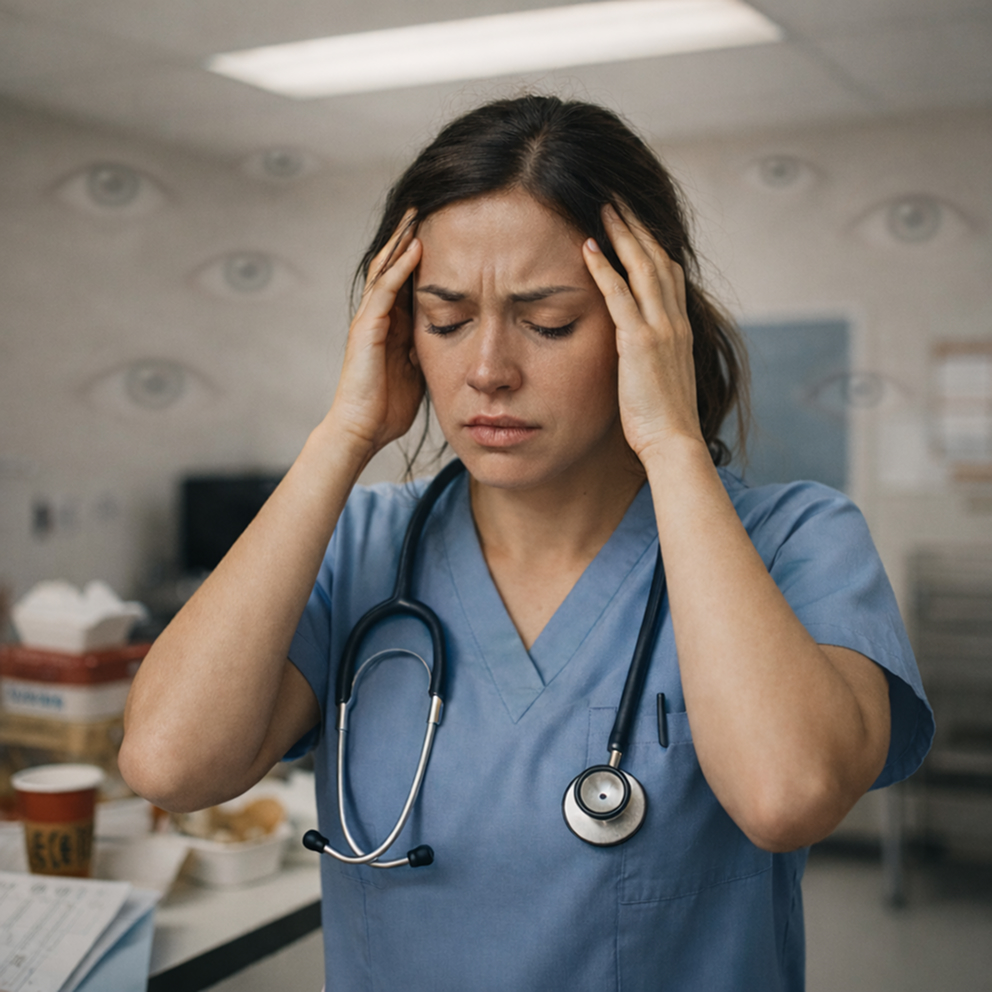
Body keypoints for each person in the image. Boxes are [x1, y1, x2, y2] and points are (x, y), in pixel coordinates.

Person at [120, 95, 933, 991]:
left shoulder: (795, 542)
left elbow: (789, 797)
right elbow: (170, 764)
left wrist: (672, 440)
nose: (487, 371)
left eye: (548, 322)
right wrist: (345, 434)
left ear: (646, 328)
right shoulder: (358, 548)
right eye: (444, 318)